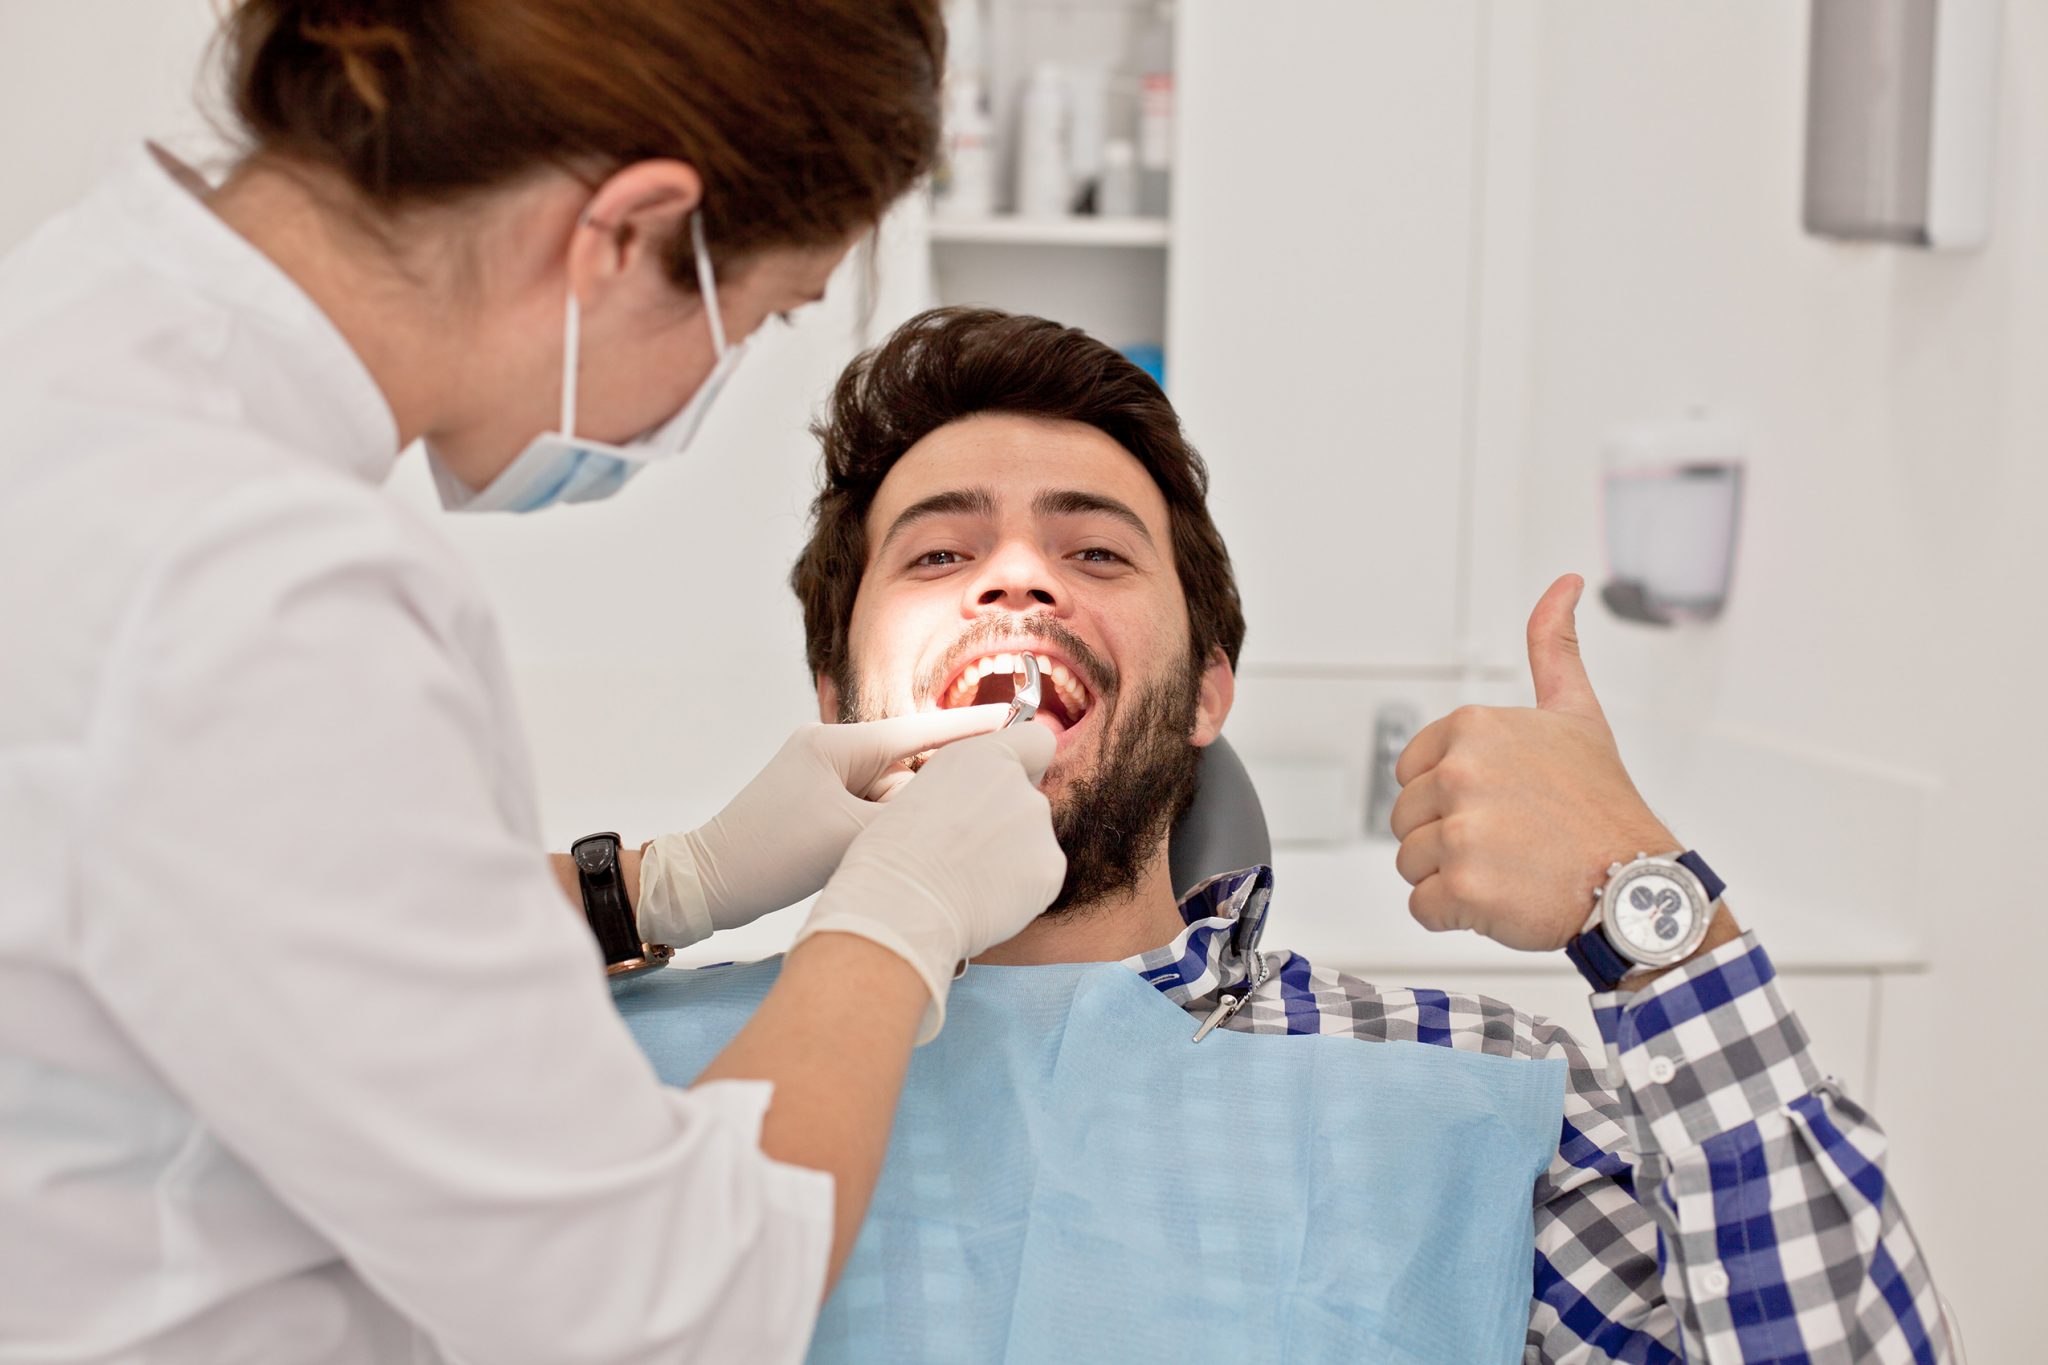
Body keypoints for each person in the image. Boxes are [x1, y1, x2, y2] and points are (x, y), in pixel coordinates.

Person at [0, 6, 1066, 1363]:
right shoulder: (257, 586)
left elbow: (263, 919)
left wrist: (657, 884)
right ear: (627, 232)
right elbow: (657, 1303)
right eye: (754, 317)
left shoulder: (81, 335)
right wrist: (890, 924)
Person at [621, 307, 1954, 1362]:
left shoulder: (1467, 1091)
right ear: (835, 702)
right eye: (936, 554)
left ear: (1208, 692)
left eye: (1095, 553)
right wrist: (646, 893)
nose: (1018, 573)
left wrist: (1659, 923)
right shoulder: (635, 1059)